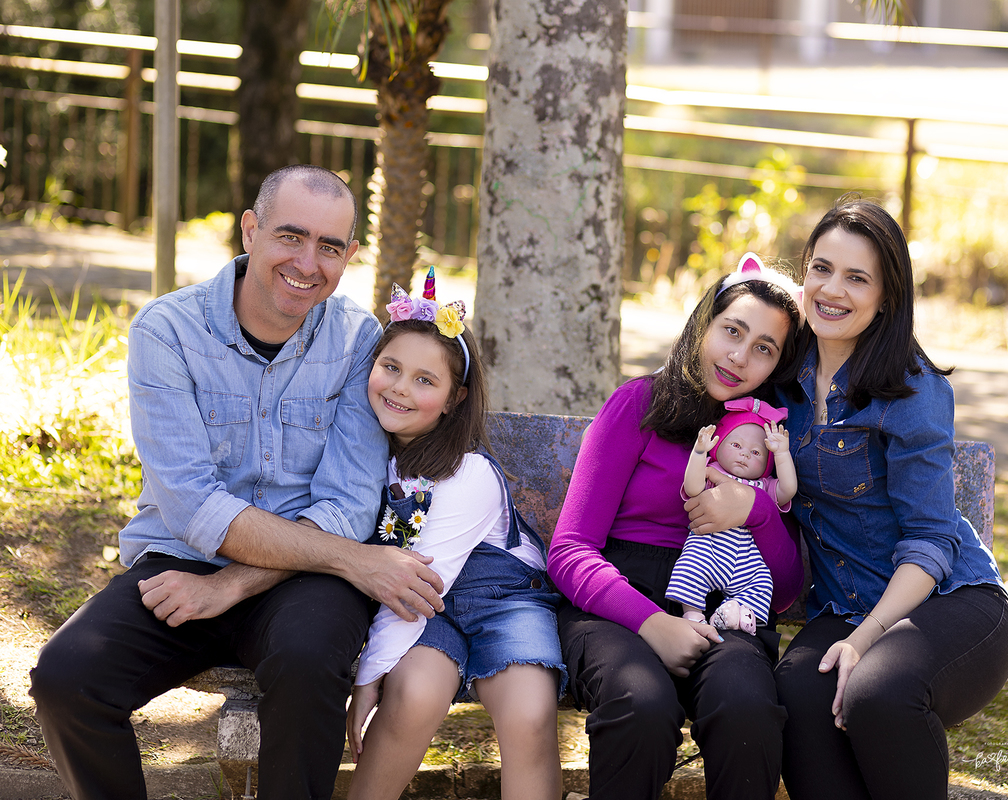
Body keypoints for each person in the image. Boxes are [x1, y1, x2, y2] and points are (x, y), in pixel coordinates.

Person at [29, 165, 446, 800]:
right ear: (250, 230)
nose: (307, 263)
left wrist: (230, 585)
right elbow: (194, 507)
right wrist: (349, 561)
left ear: (350, 255)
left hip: (308, 580)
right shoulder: (168, 331)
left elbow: (348, 502)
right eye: (290, 236)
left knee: (310, 659)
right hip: (182, 563)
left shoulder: (359, 339)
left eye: (329, 247)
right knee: (67, 679)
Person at [772, 197, 1008, 800]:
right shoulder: (782, 370)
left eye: (857, 278)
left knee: (876, 692)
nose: (833, 290)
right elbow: (720, 349)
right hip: (843, 602)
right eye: (821, 268)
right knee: (797, 694)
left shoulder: (911, 388)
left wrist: (865, 639)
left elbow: (931, 541)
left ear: (886, 297)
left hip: (947, 601)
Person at [547, 253, 805, 800]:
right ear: (703, 325)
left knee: (746, 707)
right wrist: (652, 623)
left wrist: (756, 510)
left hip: (727, 605)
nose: (739, 357)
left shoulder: (766, 444)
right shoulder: (639, 404)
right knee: (641, 706)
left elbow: (782, 593)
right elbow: (569, 550)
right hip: (617, 603)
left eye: (764, 348)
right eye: (731, 331)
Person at [345, 278, 565, 800]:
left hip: (502, 602)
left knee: (529, 712)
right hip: (430, 613)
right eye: (391, 367)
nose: (400, 388)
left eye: (425, 380)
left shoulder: (469, 473)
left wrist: (366, 678)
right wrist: (382, 674)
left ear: (454, 399)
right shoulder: (361, 453)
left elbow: (414, 582)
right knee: (414, 693)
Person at [665, 397, 796, 635]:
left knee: (762, 582)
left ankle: (735, 614)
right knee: (690, 567)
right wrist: (699, 452)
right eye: (736, 445)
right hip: (709, 549)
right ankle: (693, 614)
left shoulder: (764, 485)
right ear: (719, 444)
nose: (745, 455)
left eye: (756, 452)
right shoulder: (711, 471)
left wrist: (782, 454)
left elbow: (788, 490)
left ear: (766, 464)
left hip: (747, 559)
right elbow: (692, 488)